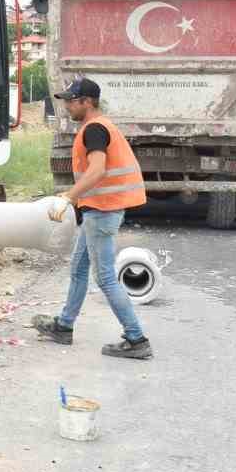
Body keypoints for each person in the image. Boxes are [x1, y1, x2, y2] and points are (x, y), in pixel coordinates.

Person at [32, 78, 153, 359]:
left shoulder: (94, 130)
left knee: (106, 277)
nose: (66, 107)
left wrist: (68, 197)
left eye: (71, 101)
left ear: (87, 102)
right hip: (97, 210)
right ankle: (64, 326)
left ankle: (136, 339)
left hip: (103, 211)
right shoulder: (98, 127)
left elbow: (97, 170)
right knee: (78, 268)